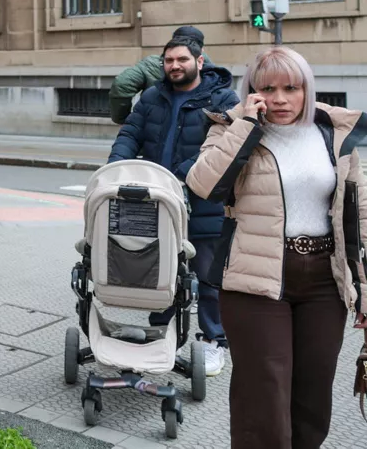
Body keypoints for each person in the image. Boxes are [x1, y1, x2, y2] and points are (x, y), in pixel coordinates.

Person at [187, 46, 367, 449]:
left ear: (308, 89)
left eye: (292, 87)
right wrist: (246, 123)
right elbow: (203, 186)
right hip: (254, 281)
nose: (281, 99)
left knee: (312, 397)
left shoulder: (332, 131)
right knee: (264, 400)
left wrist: (364, 289)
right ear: (251, 90)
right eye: (268, 88)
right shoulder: (230, 128)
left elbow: (357, 215)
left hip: (325, 280)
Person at [107, 36, 238, 376]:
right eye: (168, 61)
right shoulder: (153, 96)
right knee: (158, 266)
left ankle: (215, 341)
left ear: (200, 60)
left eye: (182, 59)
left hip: (204, 201)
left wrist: (178, 176)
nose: (175, 66)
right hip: (157, 200)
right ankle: (160, 331)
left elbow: (222, 146)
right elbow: (130, 134)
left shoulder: (222, 98)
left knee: (208, 274)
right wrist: (115, 169)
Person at [109, 25, 215, 124]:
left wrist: (122, 119)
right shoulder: (215, 74)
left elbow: (122, 84)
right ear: (202, 50)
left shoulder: (151, 64)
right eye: (169, 60)